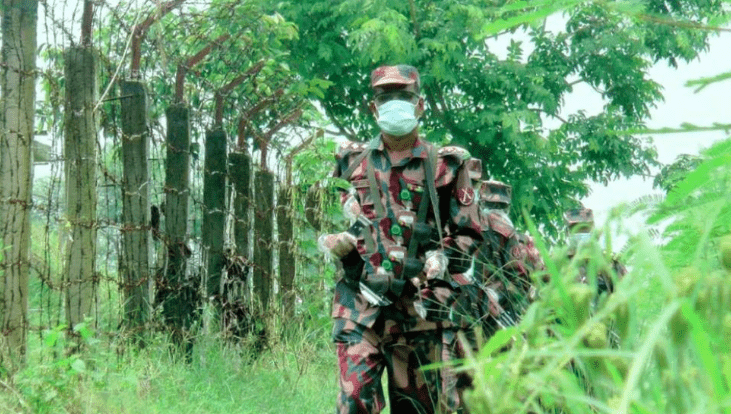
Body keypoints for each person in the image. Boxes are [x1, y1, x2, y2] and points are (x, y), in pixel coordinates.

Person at [318, 64, 483, 414]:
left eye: (403, 96)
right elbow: (325, 216)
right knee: (354, 401)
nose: (395, 103)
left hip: (418, 311)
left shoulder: (447, 166)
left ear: (419, 105)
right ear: (373, 107)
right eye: (385, 97)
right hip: (359, 305)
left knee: (416, 408)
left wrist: (441, 258)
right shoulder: (350, 162)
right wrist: (334, 241)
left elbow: (469, 233)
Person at [563, 207, 626, 295]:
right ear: (568, 233)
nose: (581, 232)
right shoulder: (559, 263)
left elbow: (628, 293)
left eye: (585, 228)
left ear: (593, 230)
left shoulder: (610, 262)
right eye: (576, 228)